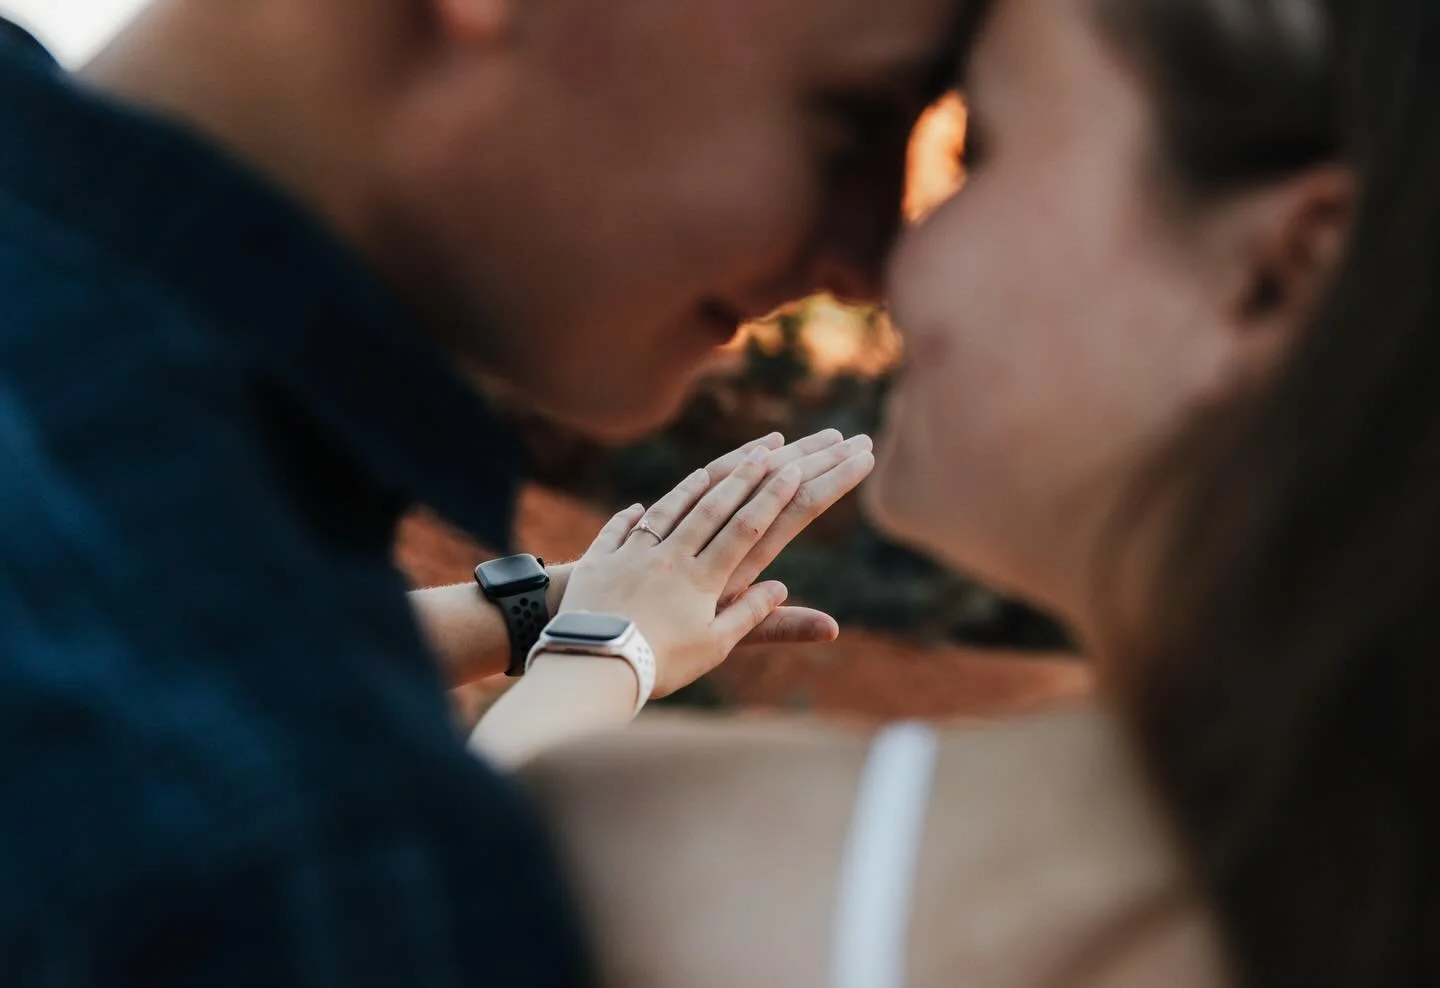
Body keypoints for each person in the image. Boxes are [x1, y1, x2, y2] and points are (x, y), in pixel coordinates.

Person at [0, 0, 965, 982]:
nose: (869, 263)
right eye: (852, 119)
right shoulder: (266, 854)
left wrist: (545, 611)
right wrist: (605, 653)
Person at [492, 0, 1440, 985]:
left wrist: (600, 645)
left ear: (1278, 276)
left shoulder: (675, 873)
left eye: (973, 154)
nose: (881, 264)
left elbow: (440, 851)